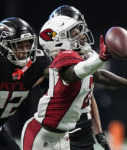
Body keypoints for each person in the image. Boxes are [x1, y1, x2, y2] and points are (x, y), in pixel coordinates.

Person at [21, 15, 112, 150]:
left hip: (64, 135)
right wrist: (100, 59)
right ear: (59, 40)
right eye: (74, 33)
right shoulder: (61, 58)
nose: (82, 36)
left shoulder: (82, 58)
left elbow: (91, 90)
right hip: (43, 133)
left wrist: (98, 130)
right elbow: (79, 71)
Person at [0, 17, 50, 150]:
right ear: (3, 44)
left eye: (28, 45)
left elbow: (62, 70)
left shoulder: (38, 65)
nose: (25, 51)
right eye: (19, 45)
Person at [48, 5, 109, 150]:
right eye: (74, 30)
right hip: (57, 127)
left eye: (80, 29)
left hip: (82, 127)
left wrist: (99, 131)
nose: (81, 34)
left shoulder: (85, 56)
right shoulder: (49, 59)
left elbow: (88, 95)